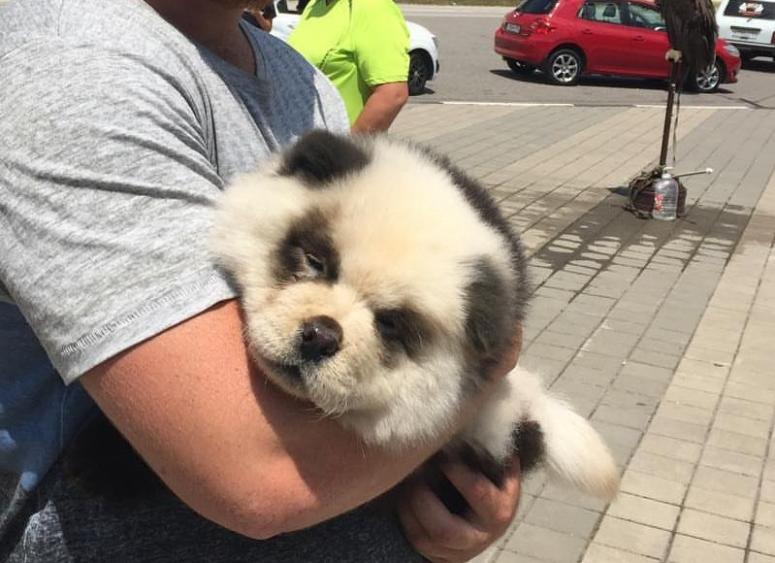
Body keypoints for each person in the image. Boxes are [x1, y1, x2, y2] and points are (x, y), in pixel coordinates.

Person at [0, 0, 522, 561]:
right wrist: (489, 367)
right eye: (314, 265)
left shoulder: (298, 78)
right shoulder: (76, 65)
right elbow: (259, 482)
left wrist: (460, 499)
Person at [288, 0, 410, 133]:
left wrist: (348, 144)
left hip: (335, 141)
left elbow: (393, 94)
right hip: (298, 137)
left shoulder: (373, 7)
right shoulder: (315, 5)